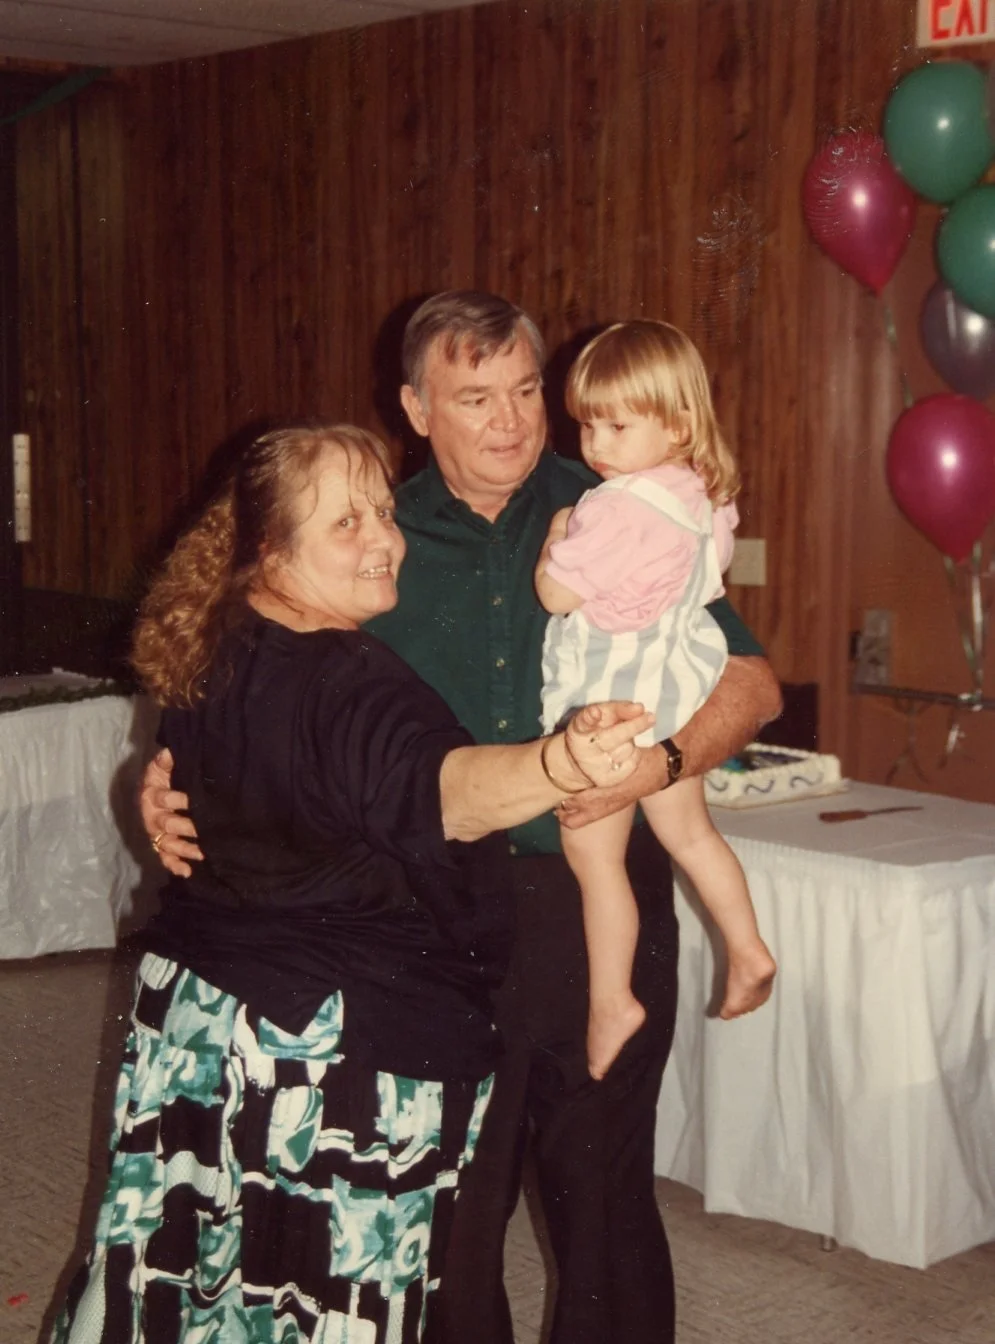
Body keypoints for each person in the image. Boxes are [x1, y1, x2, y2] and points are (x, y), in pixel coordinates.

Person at [143, 292, 782, 1344]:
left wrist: (658, 765)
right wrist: (168, 779)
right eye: (474, 397)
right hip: (432, 922)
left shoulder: (620, 502)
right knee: (450, 1215)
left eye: (525, 391)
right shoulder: (370, 536)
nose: (510, 420)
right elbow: (258, 676)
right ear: (415, 409)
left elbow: (751, 684)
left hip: (593, 903)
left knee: (603, 1197)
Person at [54, 423, 651, 1344]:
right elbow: (446, 793)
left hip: (199, 1034)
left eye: (381, 513)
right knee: (323, 1311)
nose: (382, 540)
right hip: (329, 1062)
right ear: (270, 546)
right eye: (346, 523)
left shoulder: (216, 636)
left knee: (191, 1299)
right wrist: (560, 764)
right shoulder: (355, 683)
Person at [535, 319, 776, 1080]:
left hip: (612, 704)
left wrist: (558, 531)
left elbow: (556, 595)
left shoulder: (611, 507)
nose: (596, 444)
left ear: (676, 422)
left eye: (617, 425)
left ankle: (613, 1000)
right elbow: (704, 587)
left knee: (591, 853)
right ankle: (747, 947)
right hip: (673, 691)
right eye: (587, 425)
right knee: (692, 836)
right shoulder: (703, 498)